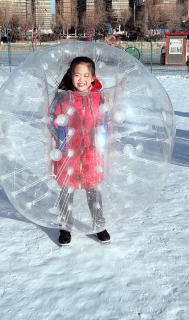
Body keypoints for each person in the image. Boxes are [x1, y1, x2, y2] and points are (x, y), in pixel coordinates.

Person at [49, 56, 111, 245]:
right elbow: (54, 120)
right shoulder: (63, 97)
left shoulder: (98, 98)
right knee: (67, 190)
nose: (81, 79)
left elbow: (104, 122)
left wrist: (101, 139)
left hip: (91, 153)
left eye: (86, 75)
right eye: (77, 75)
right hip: (69, 152)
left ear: (93, 77)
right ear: (71, 76)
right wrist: (61, 140)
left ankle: (99, 225)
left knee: (93, 190)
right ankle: (65, 226)